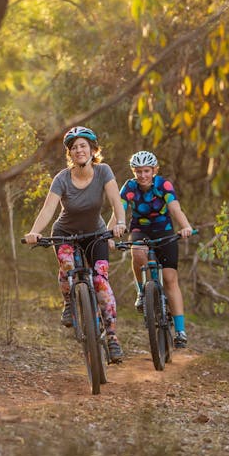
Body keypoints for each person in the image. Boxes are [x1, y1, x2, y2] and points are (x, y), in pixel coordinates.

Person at [24, 126, 128, 362]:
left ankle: (112, 338)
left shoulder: (103, 171)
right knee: (68, 266)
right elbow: (48, 209)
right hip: (65, 233)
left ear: (92, 149)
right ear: (69, 154)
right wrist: (34, 232)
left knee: (101, 280)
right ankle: (70, 302)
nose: (79, 150)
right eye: (74, 147)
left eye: (83, 145)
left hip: (96, 234)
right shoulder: (62, 178)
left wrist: (120, 223)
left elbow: (115, 201)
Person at [112, 150, 193, 348]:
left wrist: (185, 226)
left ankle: (180, 331)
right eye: (138, 171)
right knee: (137, 251)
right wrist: (109, 233)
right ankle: (142, 293)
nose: (143, 175)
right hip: (140, 229)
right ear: (134, 172)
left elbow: (174, 208)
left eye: (146, 171)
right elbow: (119, 210)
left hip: (164, 230)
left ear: (154, 170)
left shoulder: (163, 185)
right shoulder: (130, 187)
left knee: (170, 278)